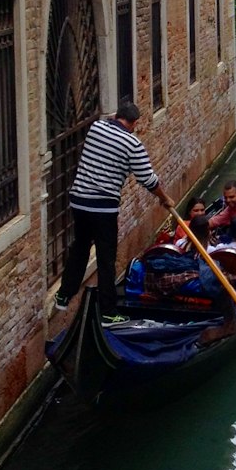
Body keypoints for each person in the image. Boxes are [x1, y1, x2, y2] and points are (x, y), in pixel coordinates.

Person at [53, 102, 175, 325]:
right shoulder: (132, 144)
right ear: (135, 123)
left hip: (79, 201)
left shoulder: (96, 128)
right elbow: (148, 179)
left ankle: (63, 295)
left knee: (80, 247)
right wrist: (164, 198)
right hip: (103, 207)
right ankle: (108, 313)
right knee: (106, 259)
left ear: (116, 115)